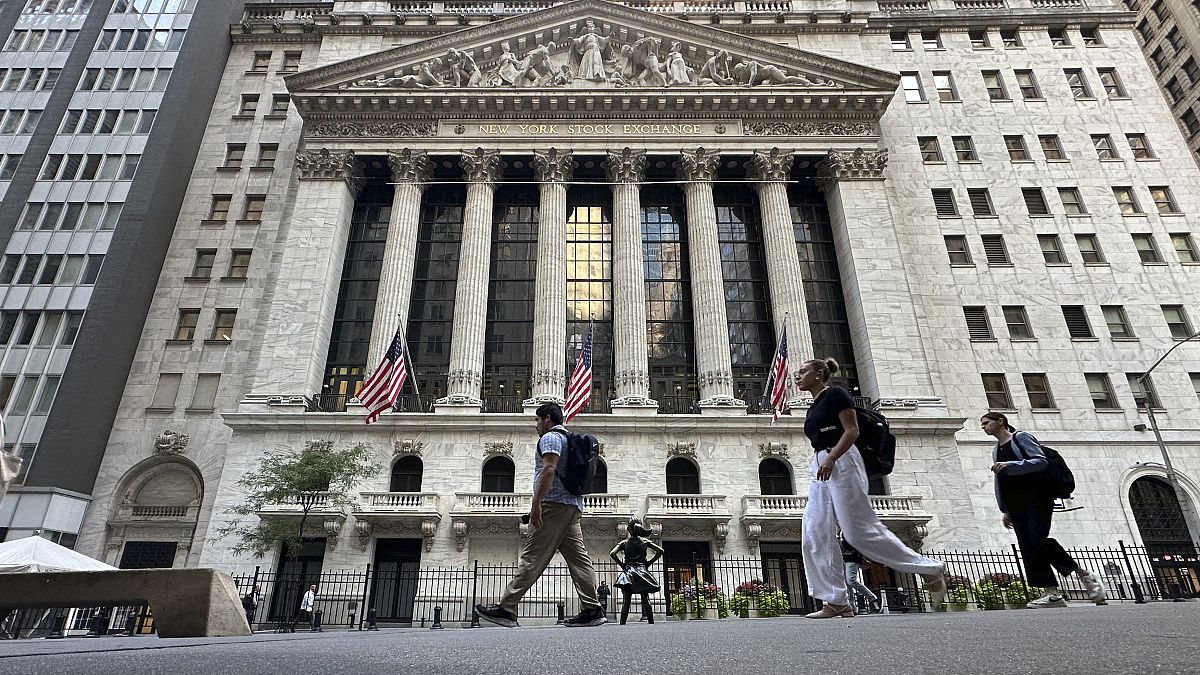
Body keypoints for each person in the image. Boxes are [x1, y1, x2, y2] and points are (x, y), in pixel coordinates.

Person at [796, 357, 946, 618]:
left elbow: (851, 430)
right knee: (814, 530)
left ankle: (929, 569)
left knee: (858, 533)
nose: (797, 376)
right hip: (820, 464)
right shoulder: (813, 406)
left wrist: (832, 459)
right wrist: (824, 462)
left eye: (802, 371)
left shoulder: (836, 394)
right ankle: (835, 600)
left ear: (819, 373)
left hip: (842, 460)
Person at [474, 402, 607, 627]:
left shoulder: (551, 438)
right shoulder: (568, 438)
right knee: (579, 560)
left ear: (547, 418)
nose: (535, 424)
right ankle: (592, 609)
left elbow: (549, 469)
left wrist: (536, 503)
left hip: (553, 505)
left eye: (537, 419)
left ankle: (506, 608)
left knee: (532, 556)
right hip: (572, 506)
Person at [982, 412, 1107, 608]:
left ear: (1000, 421)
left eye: (986, 422)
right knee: (1028, 546)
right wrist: (1005, 509)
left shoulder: (1020, 438)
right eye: (982, 424)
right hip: (1015, 504)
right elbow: (1001, 481)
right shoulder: (996, 450)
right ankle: (1058, 589)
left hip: (1037, 498)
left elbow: (1041, 461)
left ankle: (1072, 582)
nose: (983, 427)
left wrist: (1011, 465)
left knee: (1036, 540)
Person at [609, 517, 664, 625]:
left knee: (626, 601)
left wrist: (621, 564)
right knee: (645, 599)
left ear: (628, 529)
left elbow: (612, 553)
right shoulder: (645, 541)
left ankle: (622, 623)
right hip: (642, 571)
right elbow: (660, 551)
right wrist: (649, 562)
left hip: (629, 572)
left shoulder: (624, 542)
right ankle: (651, 622)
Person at [840, 537, 879, 614]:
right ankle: (852, 607)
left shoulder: (848, 532)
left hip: (851, 559)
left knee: (851, 581)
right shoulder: (838, 533)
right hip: (842, 560)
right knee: (847, 584)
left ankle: (874, 599)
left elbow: (858, 545)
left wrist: (860, 559)